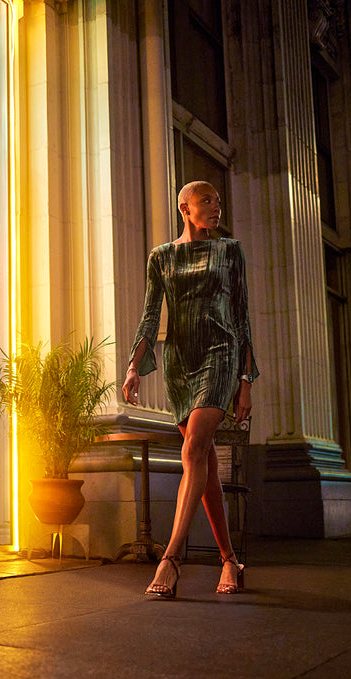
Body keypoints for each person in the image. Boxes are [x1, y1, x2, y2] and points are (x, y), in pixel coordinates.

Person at [123, 180, 258, 598]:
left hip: (221, 353)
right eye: (206, 201)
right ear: (185, 208)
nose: (216, 207)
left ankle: (171, 558)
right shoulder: (161, 257)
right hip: (181, 363)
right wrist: (134, 367)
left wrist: (246, 381)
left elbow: (241, 316)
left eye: (217, 201)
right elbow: (150, 316)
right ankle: (230, 561)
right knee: (205, 464)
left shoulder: (229, 251)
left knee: (194, 448)